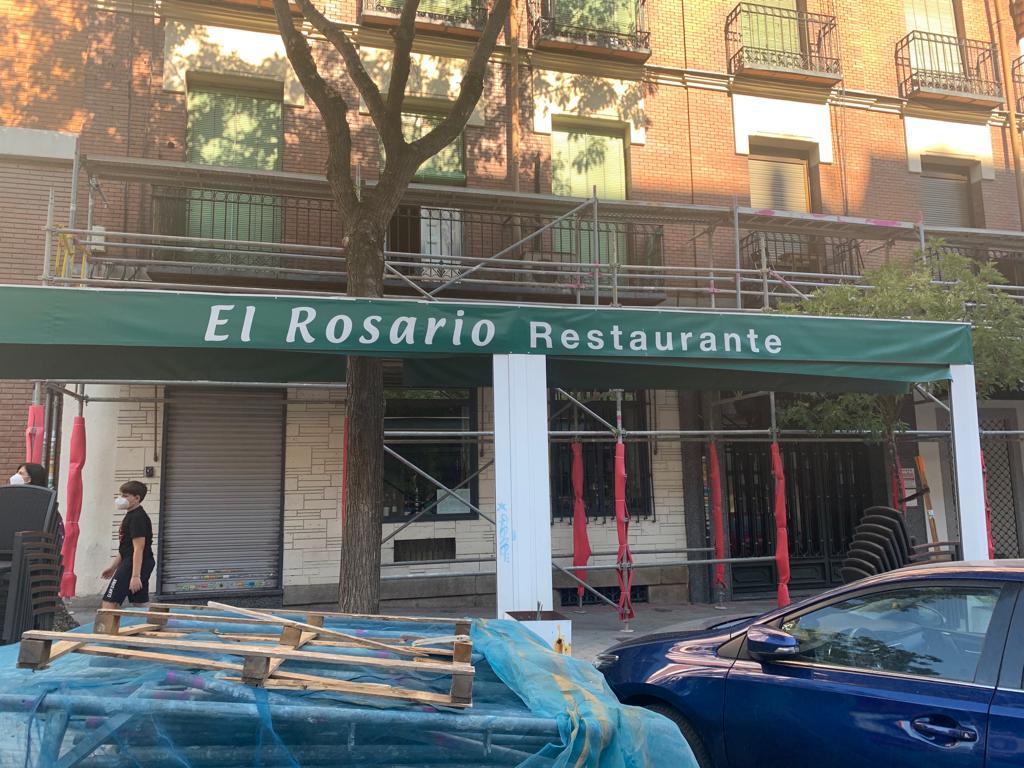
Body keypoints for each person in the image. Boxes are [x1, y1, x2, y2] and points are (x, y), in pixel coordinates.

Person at [100, 480, 155, 609]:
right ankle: (159, 621)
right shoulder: (131, 515)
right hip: (136, 562)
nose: (121, 499)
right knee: (140, 603)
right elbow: (125, 548)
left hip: (134, 564)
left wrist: (135, 576)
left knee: (109, 602)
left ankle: (107, 624)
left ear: (137, 498)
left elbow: (139, 548)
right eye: (121, 495)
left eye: (125, 496)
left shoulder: (137, 518)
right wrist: (113, 567)